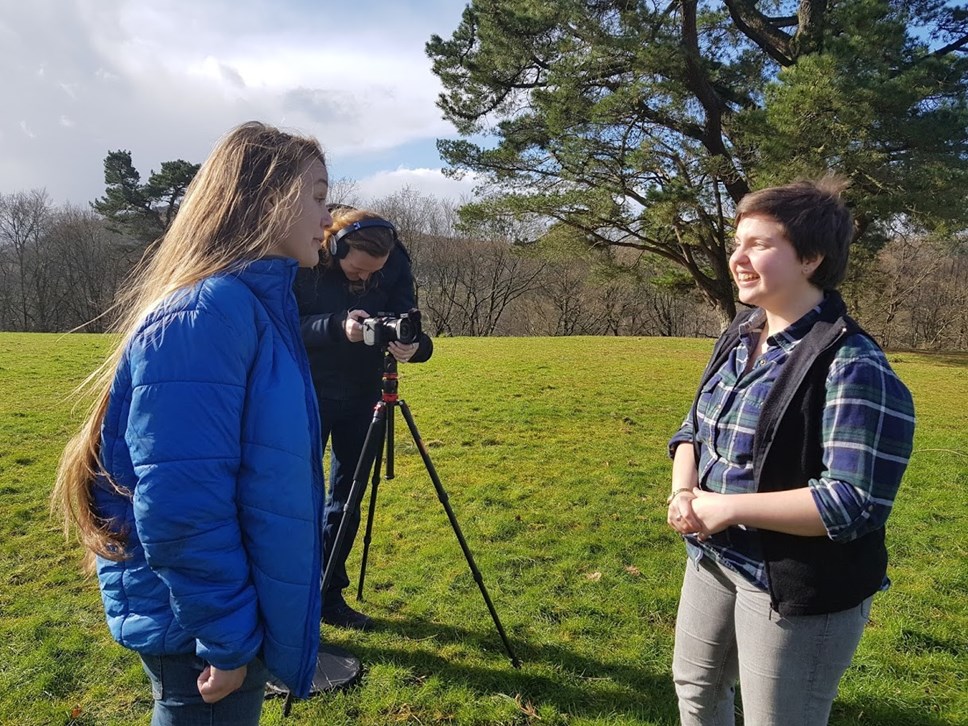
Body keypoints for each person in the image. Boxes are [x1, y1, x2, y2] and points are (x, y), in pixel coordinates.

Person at [52, 121, 333, 725]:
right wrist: (227, 635)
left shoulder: (251, 305)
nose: (327, 216)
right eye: (315, 195)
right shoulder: (207, 311)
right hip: (200, 626)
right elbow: (182, 500)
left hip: (224, 607)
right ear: (264, 196)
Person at [665, 177, 915, 726]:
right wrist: (685, 490)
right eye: (738, 242)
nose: (738, 258)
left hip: (798, 585)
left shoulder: (852, 364)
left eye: (760, 244)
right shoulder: (741, 330)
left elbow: (850, 503)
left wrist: (726, 507)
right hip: (713, 557)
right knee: (697, 691)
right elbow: (693, 428)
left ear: (811, 258)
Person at [295, 206, 433, 630]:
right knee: (296, 498)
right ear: (335, 247)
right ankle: (288, 597)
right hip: (305, 392)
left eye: (374, 274)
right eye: (356, 270)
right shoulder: (304, 260)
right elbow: (281, 327)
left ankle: (328, 594)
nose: (364, 280)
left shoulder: (394, 267)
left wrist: (415, 347)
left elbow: (407, 326)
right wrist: (336, 326)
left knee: (346, 500)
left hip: (364, 395)